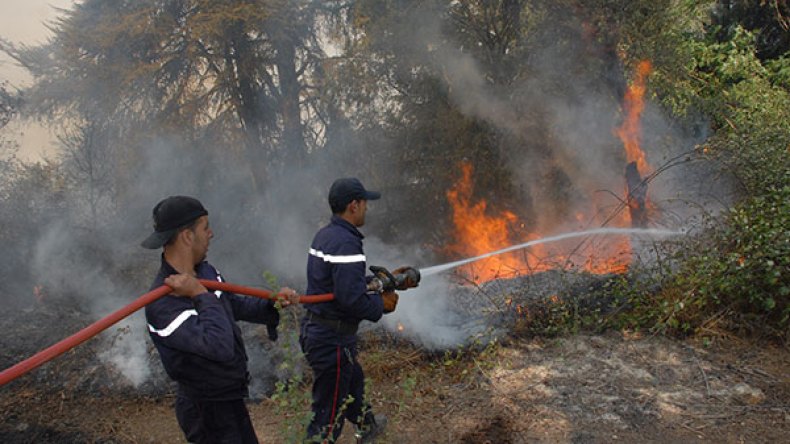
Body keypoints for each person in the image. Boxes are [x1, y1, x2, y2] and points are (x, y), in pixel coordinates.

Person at [141, 195, 297, 444]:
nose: (211, 234)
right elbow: (218, 346)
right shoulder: (162, 304)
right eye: (205, 227)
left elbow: (232, 304)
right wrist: (198, 294)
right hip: (205, 411)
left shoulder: (206, 271)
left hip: (229, 398)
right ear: (187, 236)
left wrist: (272, 304)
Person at [300, 178, 399, 443]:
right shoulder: (346, 243)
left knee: (353, 380)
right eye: (365, 203)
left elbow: (341, 284)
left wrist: (380, 283)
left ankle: (367, 427)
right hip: (331, 339)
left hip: (320, 330)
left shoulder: (327, 235)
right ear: (353, 205)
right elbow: (350, 299)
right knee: (328, 414)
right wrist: (382, 305)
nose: (367, 208)